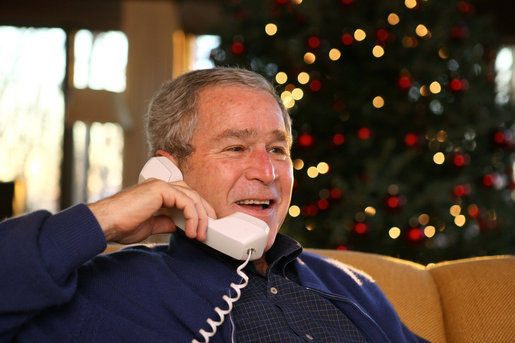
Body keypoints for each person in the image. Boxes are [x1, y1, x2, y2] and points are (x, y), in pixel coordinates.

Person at [0, 67, 428, 343]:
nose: (267, 170)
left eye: (278, 149)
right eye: (236, 147)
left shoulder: (350, 286)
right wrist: (104, 219)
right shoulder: (106, 290)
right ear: (169, 174)